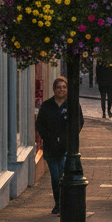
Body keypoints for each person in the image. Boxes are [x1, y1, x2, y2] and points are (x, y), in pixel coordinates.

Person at [35, 77, 83, 214]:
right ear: (54, 89)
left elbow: (80, 121)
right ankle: (58, 202)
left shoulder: (72, 105)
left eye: (64, 87)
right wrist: (47, 137)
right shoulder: (47, 105)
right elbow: (40, 124)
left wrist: (71, 137)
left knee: (63, 176)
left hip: (66, 148)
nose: (61, 89)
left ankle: (64, 204)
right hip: (50, 148)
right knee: (55, 177)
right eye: (59, 87)